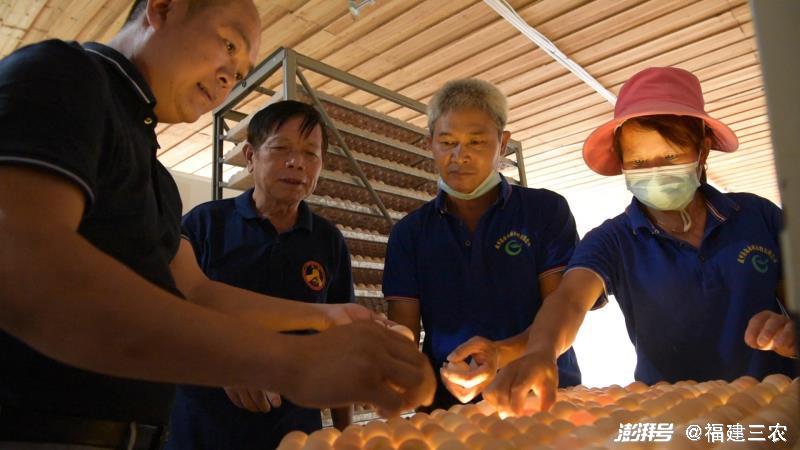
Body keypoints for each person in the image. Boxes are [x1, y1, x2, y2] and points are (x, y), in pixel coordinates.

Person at [0, 0, 434, 448]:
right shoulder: (63, 75)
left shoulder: (157, 179)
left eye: (241, 70)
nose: (230, 76)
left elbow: (199, 292)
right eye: (228, 44)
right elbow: (21, 265)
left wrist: (328, 316)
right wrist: (291, 361)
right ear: (164, 8)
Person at [448, 67, 797, 416]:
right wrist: (541, 352)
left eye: (671, 157)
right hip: (672, 417)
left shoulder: (757, 217)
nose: (656, 171)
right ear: (622, 165)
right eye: (640, 162)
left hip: (779, 408)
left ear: (703, 150)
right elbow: (569, 300)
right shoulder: (613, 241)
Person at [383, 79, 587, 411]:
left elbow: (564, 309)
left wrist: (501, 353)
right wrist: (403, 366)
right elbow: (404, 330)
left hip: (541, 393)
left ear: (502, 143)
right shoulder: (410, 233)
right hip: (448, 405)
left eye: (476, 142)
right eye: (447, 141)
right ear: (430, 144)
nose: (459, 156)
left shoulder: (544, 212)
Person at [166, 100, 355, 449]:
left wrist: (346, 435)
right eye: (281, 148)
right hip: (203, 428)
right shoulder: (204, 225)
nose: (297, 162)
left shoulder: (329, 241)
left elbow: (339, 347)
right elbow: (168, 319)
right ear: (250, 156)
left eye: (311, 153)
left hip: (295, 432)